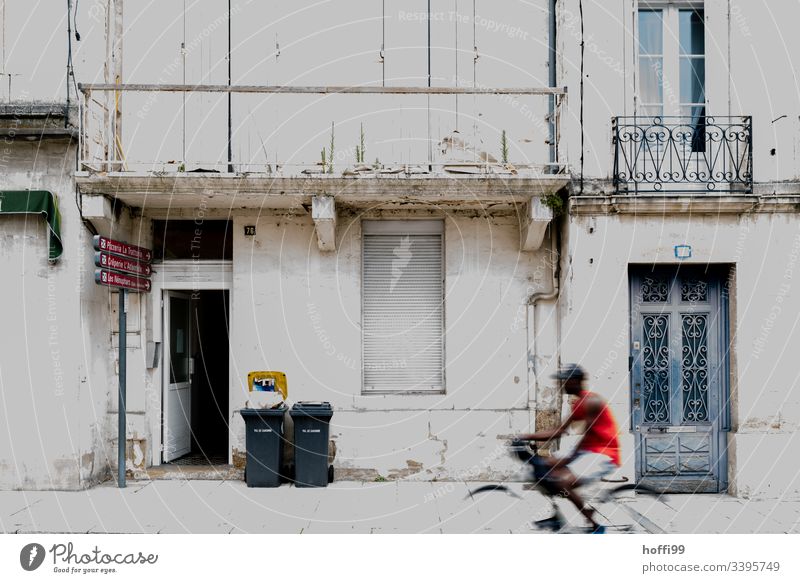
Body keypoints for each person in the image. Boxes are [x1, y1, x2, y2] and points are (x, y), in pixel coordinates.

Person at [518, 363, 621, 533]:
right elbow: (559, 431)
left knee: (561, 481)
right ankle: (556, 516)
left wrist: (567, 459)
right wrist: (526, 436)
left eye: (565, 381)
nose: (562, 385)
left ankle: (593, 523)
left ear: (574, 381)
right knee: (542, 468)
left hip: (603, 454)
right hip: (588, 451)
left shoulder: (591, 401)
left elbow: (587, 435)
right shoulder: (579, 403)